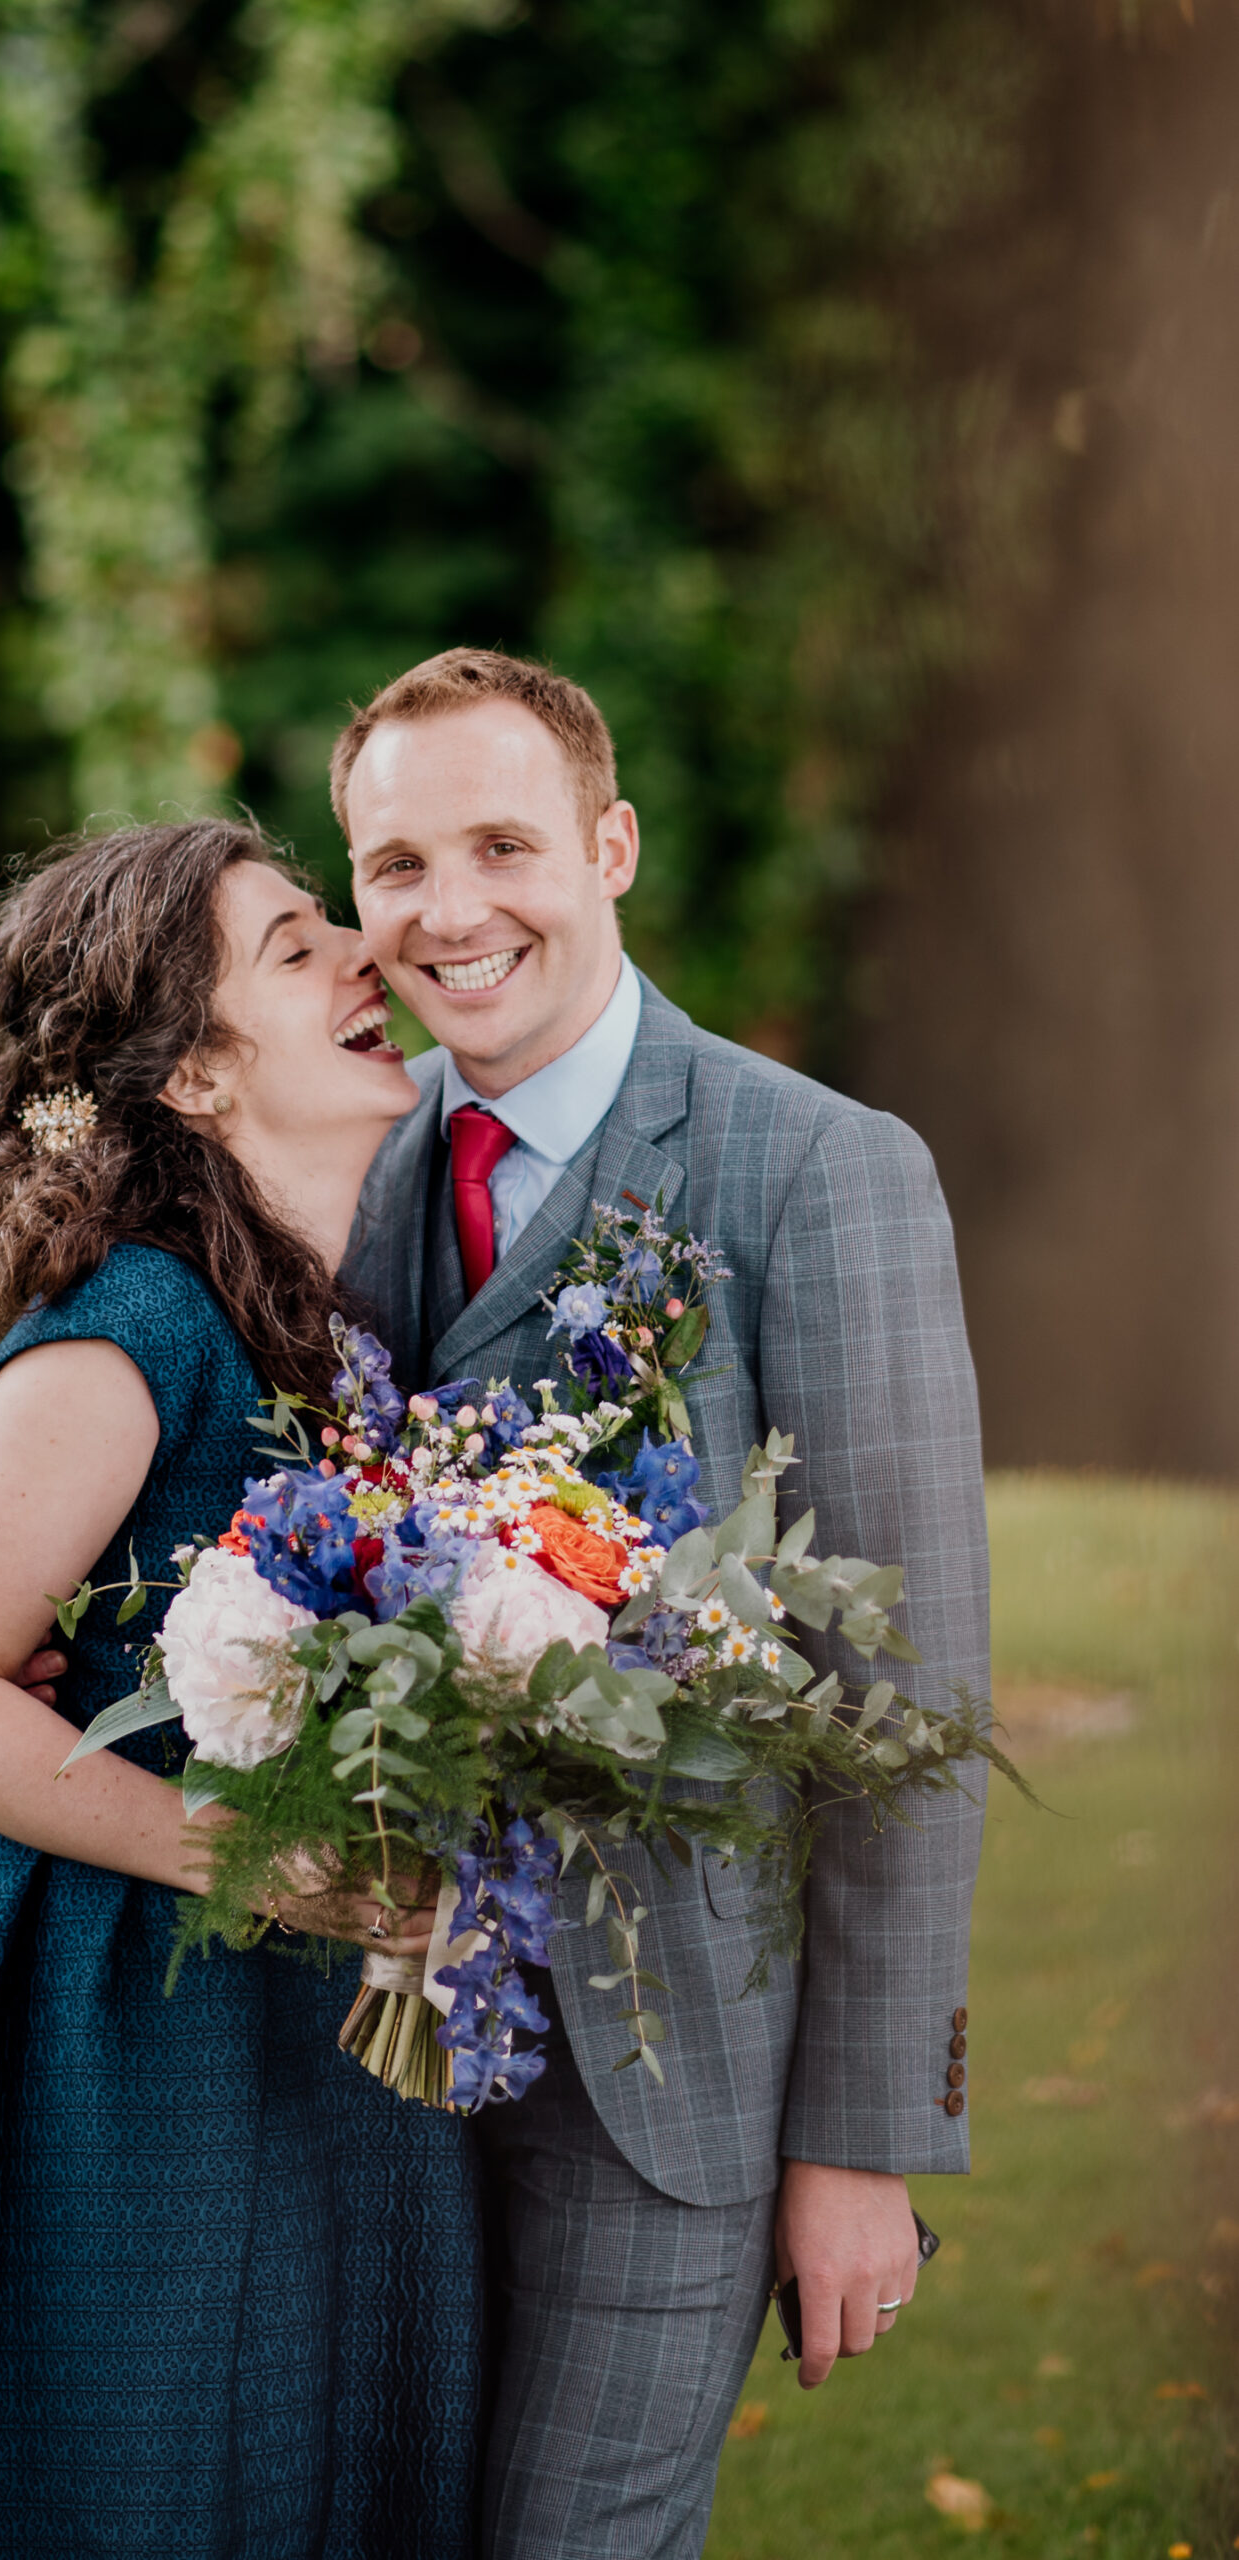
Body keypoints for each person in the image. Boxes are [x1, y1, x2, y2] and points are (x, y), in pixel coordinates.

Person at [334, 649, 988, 2560]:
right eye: (393, 866)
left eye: (502, 843)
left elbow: (902, 1690)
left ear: (611, 845)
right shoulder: (356, 1160)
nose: (450, 912)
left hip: (670, 2066)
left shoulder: (820, 1171)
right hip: (369, 2052)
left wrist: (860, 2143)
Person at [0, 819, 486, 2560]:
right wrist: (261, 1863)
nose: (366, 950)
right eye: (293, 946)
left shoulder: (354, 1319)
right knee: (155, 2482)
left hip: (347, 2026)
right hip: (147, 2029)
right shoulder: (137, 1325)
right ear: (195, 1075)